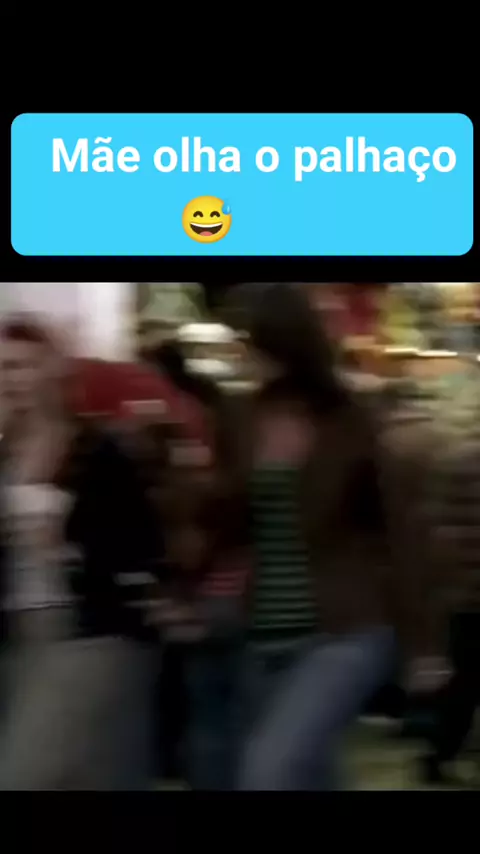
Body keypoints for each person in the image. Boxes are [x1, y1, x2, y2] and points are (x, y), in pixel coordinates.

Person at [218, 283, 432, 791]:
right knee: (307, 774)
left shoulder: (349, 420)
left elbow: (400, 532)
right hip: (267, 629)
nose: (239, 355)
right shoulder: (240, 418)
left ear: (281, 342)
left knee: (269, 771)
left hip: (346, 626)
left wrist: (426, 643)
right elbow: (227, 523)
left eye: (247, 342)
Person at [0, 316, 165, 790]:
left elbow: (140, 546)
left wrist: (68, 548)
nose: (13, 380)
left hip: (90, 633)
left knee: (23, 773)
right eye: (5, 368)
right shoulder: (6, 457)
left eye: (25, 366)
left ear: (53, 370)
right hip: (22, 635)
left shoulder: (97, 451)